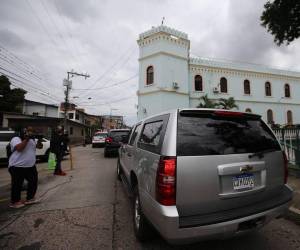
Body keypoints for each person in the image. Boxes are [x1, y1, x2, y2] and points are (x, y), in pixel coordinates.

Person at [8, 126, 43, 209]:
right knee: (17, 184)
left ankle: (30, 198)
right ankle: (15, 202)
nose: (30, 133)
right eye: (28, 131)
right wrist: (27, 139)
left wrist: (39, 140)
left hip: (30, 166)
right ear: (23, 132)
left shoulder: (32, 140)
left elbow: (39, 147)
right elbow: (19, 148)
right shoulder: (16, 139)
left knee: (33, 182)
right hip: (17, 166)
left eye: (31, 131)